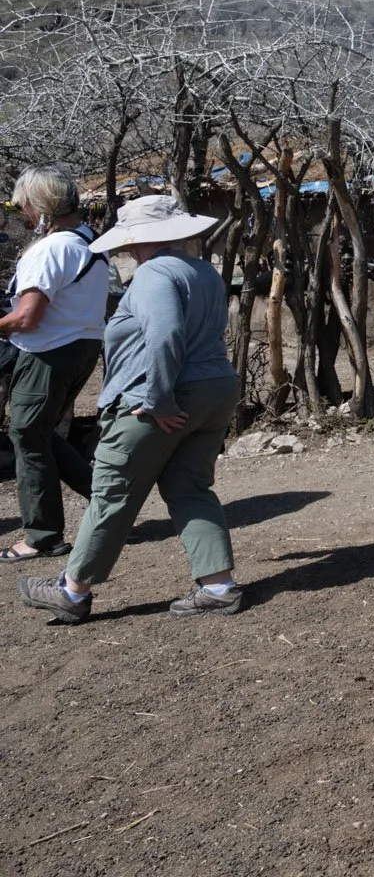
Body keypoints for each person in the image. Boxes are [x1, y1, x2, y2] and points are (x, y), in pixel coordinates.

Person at [17, 194, 245, 622]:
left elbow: (165, 333)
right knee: (189, 487)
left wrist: (156, 398)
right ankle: (218, 586)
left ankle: (72, 590)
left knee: (113, 492)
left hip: (161, 398)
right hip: (215, 391)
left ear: (136, 238)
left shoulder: (154, 274)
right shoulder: (203, 272)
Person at [0, 165, 109, 564]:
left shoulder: (50, 249)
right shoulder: (90, 244)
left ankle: (42, 536)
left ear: (39, 203)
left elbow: (27, 317)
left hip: (48, 352)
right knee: (41, 431)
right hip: (80, 349)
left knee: (27, 433)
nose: (22, 213)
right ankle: (109, 502)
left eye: (23, 204)